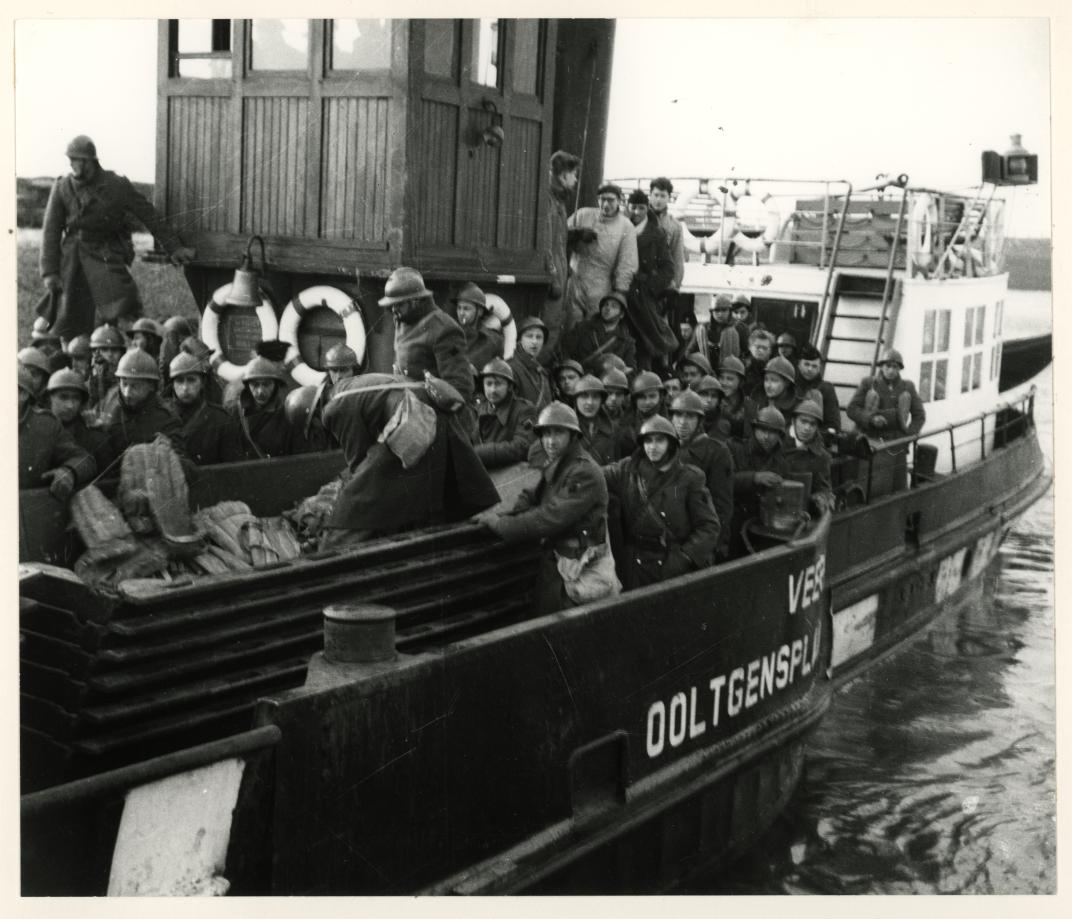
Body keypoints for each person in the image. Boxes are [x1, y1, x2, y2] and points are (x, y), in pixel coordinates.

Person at [40, 134, 195, 339]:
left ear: (89, 161)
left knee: (123, 306)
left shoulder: (116, 185)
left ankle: (133, 348)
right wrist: (49, 272)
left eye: (75, 159)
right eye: (70, 159)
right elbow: (50, 231)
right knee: (68, 315)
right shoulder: (62, 187)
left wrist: (174, 247)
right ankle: (72, 356)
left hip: (106, 255)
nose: (71, 164)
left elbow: (148, 214)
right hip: (72, 258)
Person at [320, 374, 499, 548]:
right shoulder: (349, 386)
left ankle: (333, 549)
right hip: (432, 410)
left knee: (357, 501)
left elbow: (357, 457)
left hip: (413, 415)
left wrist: (352, 492)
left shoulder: (334, 406)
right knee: (430, 487)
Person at [481, 402, 613, 615]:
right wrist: (508, 513)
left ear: (573, 436)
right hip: (559, 564)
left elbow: (549, 517)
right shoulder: (559, 463)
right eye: (546, 434)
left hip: (579, 570)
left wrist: (501, 524)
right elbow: (532, 495)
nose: (550, 441)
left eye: (558, 433)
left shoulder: (583, 471)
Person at [602, 415, 720, 589]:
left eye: (659, 441)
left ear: (671, 444)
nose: (653, 447)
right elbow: (595, 476)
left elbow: (709, 526)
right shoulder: (627, 469)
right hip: (635, 564)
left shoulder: (689, 478)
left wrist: (684, 558)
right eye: (648, 441)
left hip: (672, 563)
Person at [846, 348, 926, 495]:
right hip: (871, 442)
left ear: (899, 369)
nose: (890, 370)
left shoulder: (908, 387)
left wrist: (908, 437)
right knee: (871, 487)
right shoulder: (868, 384)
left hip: (896, 445)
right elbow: (852, 409)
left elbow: (919, 416)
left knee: (897, 488)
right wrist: (870, 419)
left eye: (894, 367)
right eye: (887, 366)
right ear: (881, 366)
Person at [669, 389, 734, 558]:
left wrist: (716, 546)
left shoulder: (716, 452)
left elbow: (722, 506)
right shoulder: (665, 448)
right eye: (678, 416)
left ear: (699, 420)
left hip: (699, 541)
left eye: (690, 417)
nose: (683, 422)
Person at [566, 183, 638, 324]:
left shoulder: (626, 226)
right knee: (571, 327)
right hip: (576, 281)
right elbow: (559, 236)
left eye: (610, 200)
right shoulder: (582, 214)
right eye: (602, 199)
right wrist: (576, 234)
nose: (605, 204)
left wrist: (619, 291)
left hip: (602, 287)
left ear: (619, 201)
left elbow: (627, 263)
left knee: (595, 326)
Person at [19, 365, 95, 498]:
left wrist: (68, 472)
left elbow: (84, 459)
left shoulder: (45, 426)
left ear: (23, 394)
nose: (70, 405)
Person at [100, 348, 186, 463]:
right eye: (124, 384)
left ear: (151, 386)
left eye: (135, 386)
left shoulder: (167, 419)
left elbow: (180, 462)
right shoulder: (110, 400)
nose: (127, 392)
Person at [728, 406, 791, 554]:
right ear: (754, 429)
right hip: (734, 521)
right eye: (762, 430)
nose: (766, 437)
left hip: (764, 526)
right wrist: (754, 478)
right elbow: (724, 482)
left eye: (772, 432)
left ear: (779, 436)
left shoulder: (782, 464)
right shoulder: (734, 449)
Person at [624, 189, 675, 371]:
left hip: (643, 296)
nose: (636, 212)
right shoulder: (621, 228)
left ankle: (646, 379)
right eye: (633, 207)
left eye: (641, 208)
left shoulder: (657, 234)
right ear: (627, 207)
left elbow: (668, 268)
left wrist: (650, 288)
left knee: (645, 340)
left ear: (647, 209)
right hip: (621, 293)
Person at [167, 352, 245, 465]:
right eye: (179, 381)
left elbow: (233, 469)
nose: (185, 388)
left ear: (202, 382)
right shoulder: (162, 417)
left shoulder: (221, 419)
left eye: (191, 380)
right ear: (172, 384)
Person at [540, 150, 581, 365]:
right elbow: (547, 242)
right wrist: (554, 277)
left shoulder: (558, 201)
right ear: (564, 175)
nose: (575, 180)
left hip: (559, 274)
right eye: (574, 175)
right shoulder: (549, 201)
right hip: (553, 279)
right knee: (550, 329)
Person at [229, 351, 298, 459]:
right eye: (255, 385)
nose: (260, 391)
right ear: (247, 386)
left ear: (275, 385)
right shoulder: (234, 412)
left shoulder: (286, 416)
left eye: (267, 384)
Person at [473, 358, 538, 470]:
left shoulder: (524, 410)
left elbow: (521, 447)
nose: (493, 390)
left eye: (498, 384)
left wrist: (479, 453)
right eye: (488, 384)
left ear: (510, 387)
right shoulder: (479, 409)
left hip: (512, 475)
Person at [46, 368, 111, 472]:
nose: (70, 405)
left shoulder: (96, 440)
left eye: (76, 398)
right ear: (50, 398)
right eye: (63, 397)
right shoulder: (37, 431)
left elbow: (107, 481)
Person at [563, 291, 637, 375]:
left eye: (614, 306)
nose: (608, 308)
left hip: (608, 383)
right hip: (581, 378)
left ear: (621, 314)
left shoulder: (627, 342)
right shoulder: (583, 328)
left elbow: (631, 371)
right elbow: (565, 352)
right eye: (606, 305)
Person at [785, 400, 835, 515]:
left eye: (812, 424)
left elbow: (824, 488)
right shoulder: (778, 443)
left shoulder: (821, 456)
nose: (807, 428)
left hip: (802, 513)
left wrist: (821, 497)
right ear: (793, 421)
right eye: (803, 421)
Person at [451, 282, 504, 373]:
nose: (461, 313)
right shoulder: (449, 336)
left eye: (466, 308)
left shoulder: (494, 341)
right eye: (459, 308)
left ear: (479, 311)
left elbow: (499, 374)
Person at [795, 343, 842, 437]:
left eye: (814, 366)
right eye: (806, 364)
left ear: (819, 368)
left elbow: (833, 424)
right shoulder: (789, 386)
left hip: (816, 438)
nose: (809, 369)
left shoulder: (826, 389)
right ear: (799, 364)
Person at [648, 178, 685, 297]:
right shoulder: (637, 220)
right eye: (656, 195)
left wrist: (674, 286)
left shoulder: (675, 226)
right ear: (650, 195)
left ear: (669, 197)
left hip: (663, 285)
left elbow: (678, 259)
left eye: (663, 196)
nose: (658, 200)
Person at [509, 316, 553, 410]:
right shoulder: (511, 368)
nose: (534, 341)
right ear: (520, 339)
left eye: (539, 337)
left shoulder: (541, 372)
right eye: (529, 336)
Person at [86, 323, 127, 419]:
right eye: (104, 349)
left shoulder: (127, 380)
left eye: (114, 350)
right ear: (94, 353)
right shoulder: (87, 380)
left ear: (121, 353)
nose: (110, 354)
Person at [716, 355, 754, 443]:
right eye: (721, 378)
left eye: (730, 379)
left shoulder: (749, 406)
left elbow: (749, 439)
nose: (724, 383)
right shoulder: (713, 400)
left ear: (741, 382)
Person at [752, 355, 801, 421]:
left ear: (787, 383)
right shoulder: (754, 402)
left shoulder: (797, 409)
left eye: (774, 380)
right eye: (766, 379)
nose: (768, 385)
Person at [742, 328, 775, 399]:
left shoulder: (775, 370)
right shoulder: (741, 368)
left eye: (765, 348)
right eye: (758, 347)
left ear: (770, 351)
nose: (761, 350)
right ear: (749, 347)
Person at [694, 374, 726, 439]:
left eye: (714, 396)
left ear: (718, 401)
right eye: (704, 394)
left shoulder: (723, 424)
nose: (709, 400)